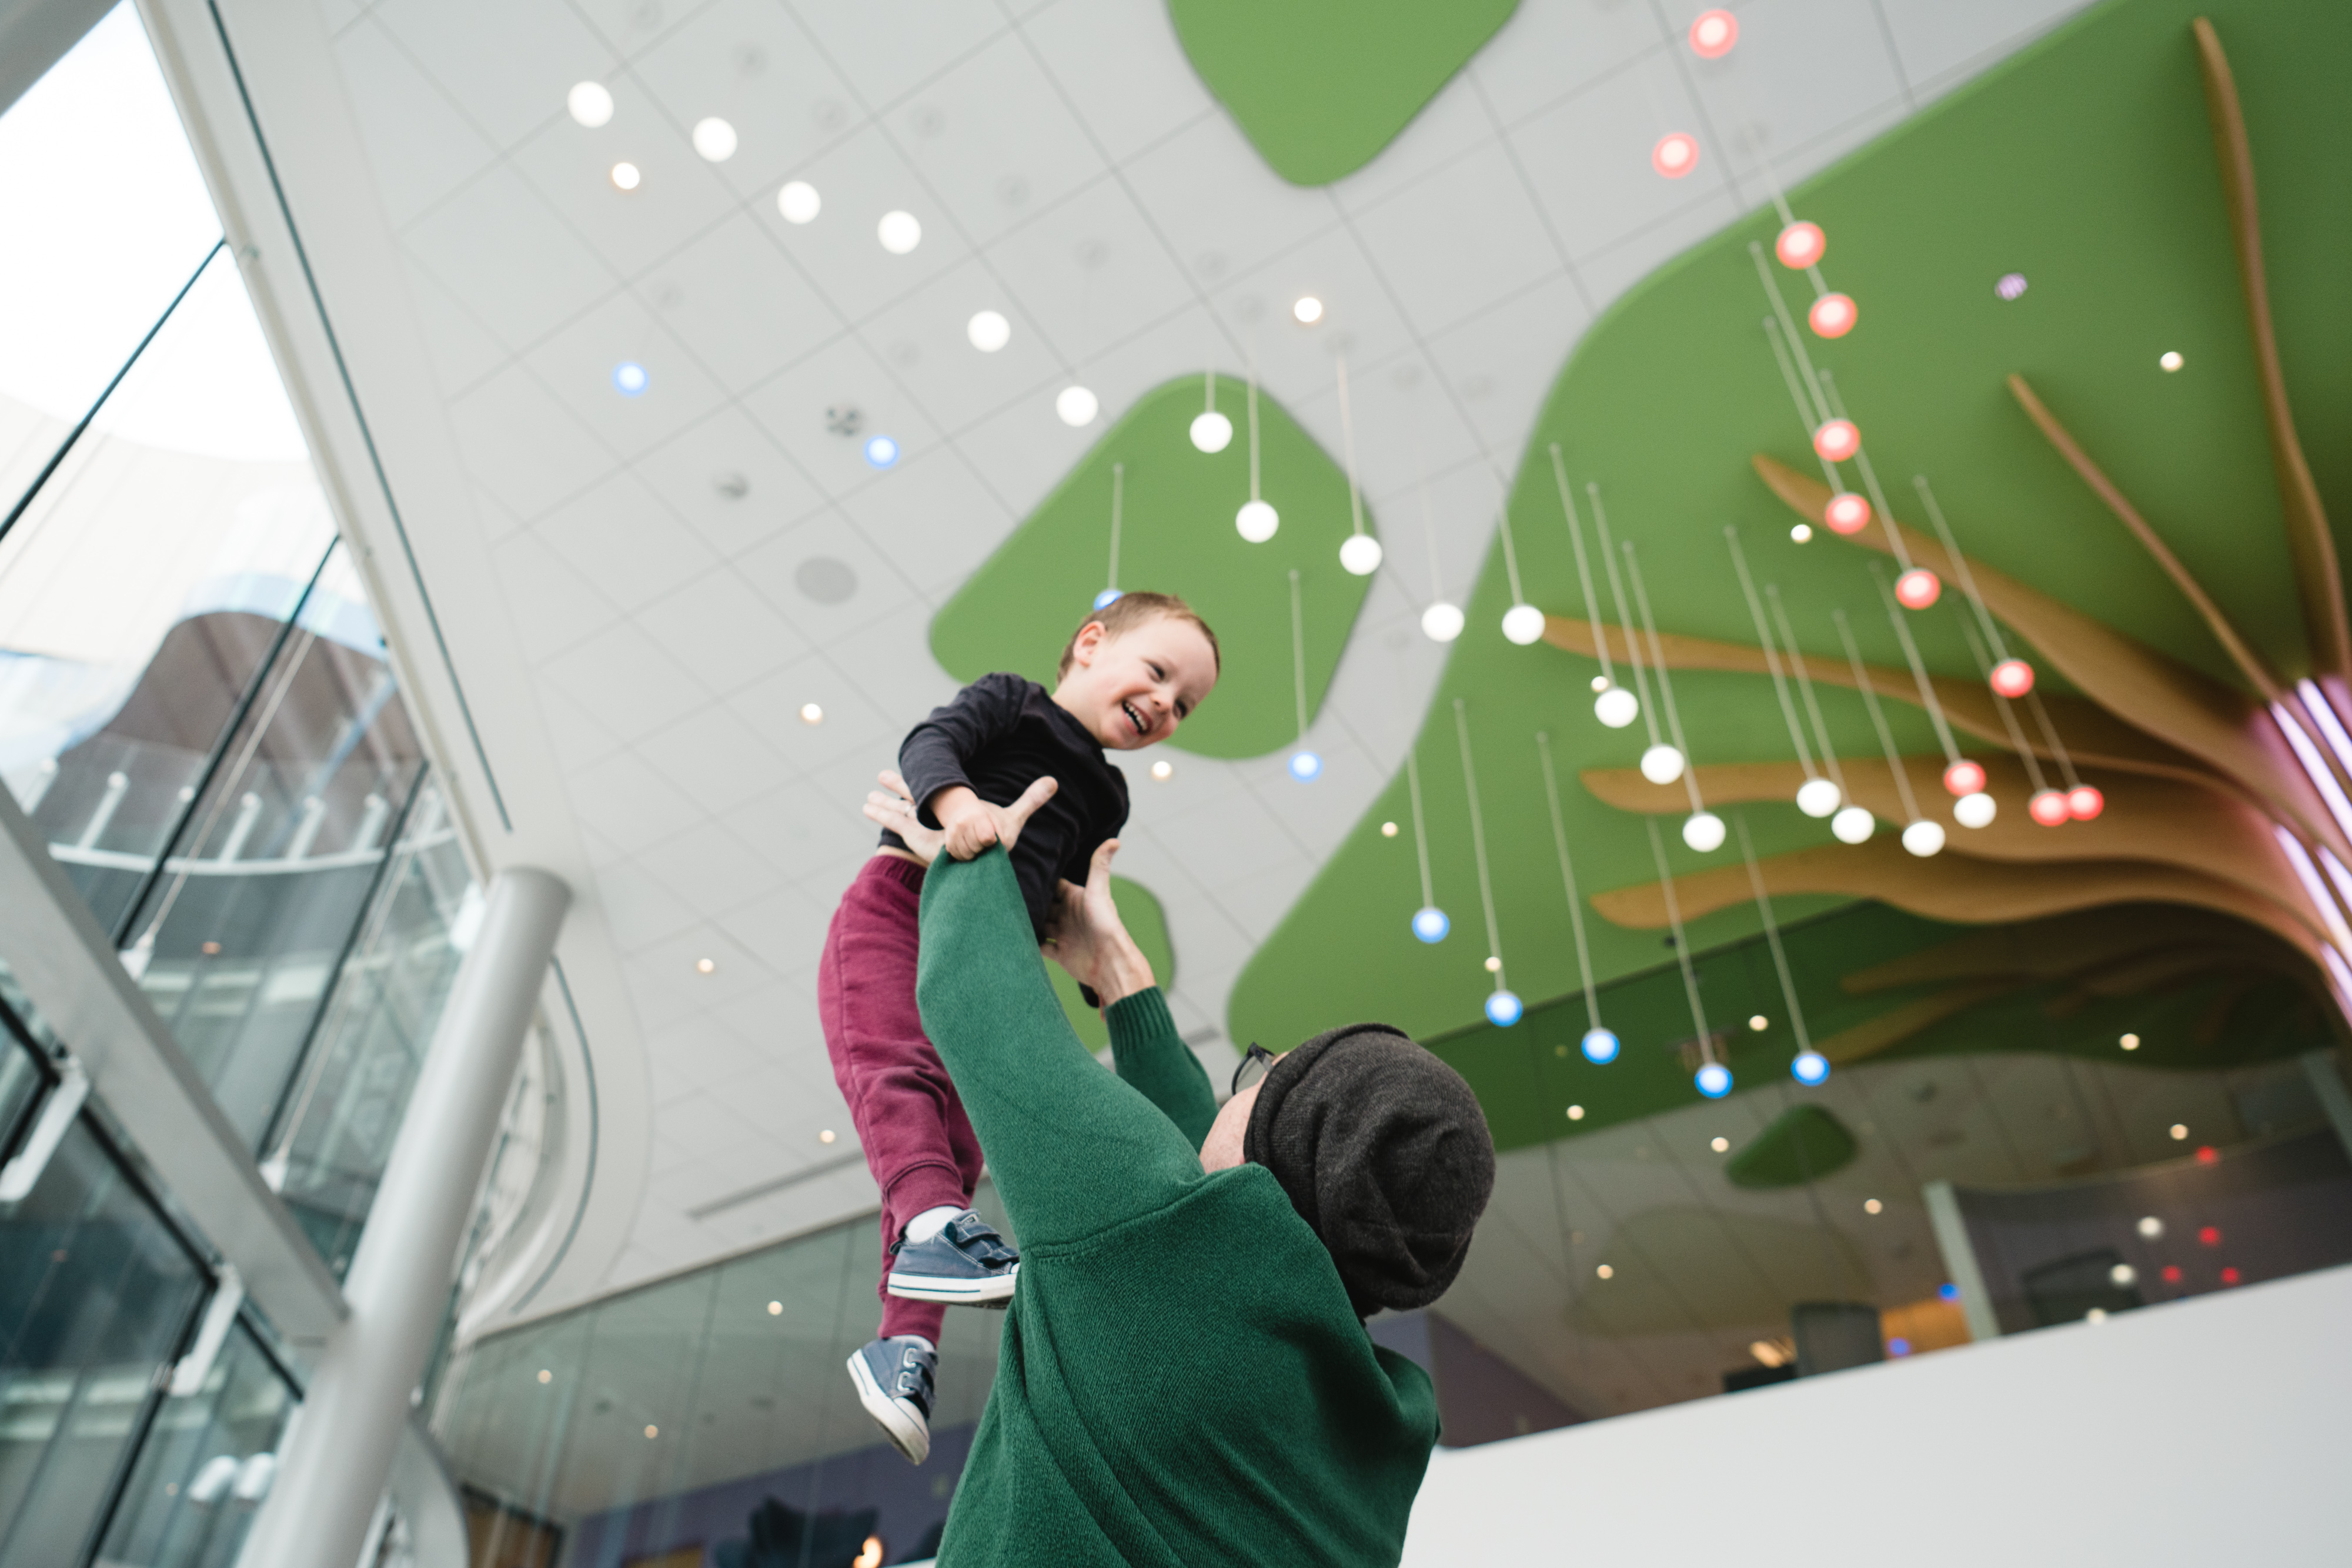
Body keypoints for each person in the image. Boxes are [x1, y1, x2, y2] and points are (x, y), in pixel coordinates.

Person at [857, 771, 1496, 1567]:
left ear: (1276, 1141)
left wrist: (970, 848)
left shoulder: (1152, 1260)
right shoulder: (1374, 1429)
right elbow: (1213, 1204)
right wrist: (1121, 979)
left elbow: (975, 997)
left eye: (1258, 1075)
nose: (1240, 1082)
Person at [822, 593, 1221, 1463]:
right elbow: (930, 744)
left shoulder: (1108, 796)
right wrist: (960, 805)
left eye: (1183, 706)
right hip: (900, 908)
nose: (1165, 704)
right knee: (900, 1076)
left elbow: (1059, 905)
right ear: (1090, 643)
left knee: (962, 1140)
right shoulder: (1014, 702)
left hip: (991, 958)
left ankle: (904, 1345)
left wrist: (1094, 976)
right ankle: (934, 1233)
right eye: (1158, 673)